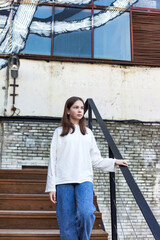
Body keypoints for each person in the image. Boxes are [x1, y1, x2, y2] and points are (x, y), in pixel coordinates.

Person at [45, 96, 128, 240]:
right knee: (66, 221)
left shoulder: (88, 133)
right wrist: (51, 186)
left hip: (84, 179)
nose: (80, 110)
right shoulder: (58, 133)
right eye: (76, 107)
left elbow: (95, 159)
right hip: (63, 180)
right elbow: (53, 160)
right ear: (68, 111)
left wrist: (114, 162)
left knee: (86, 212)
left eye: (82, 108)